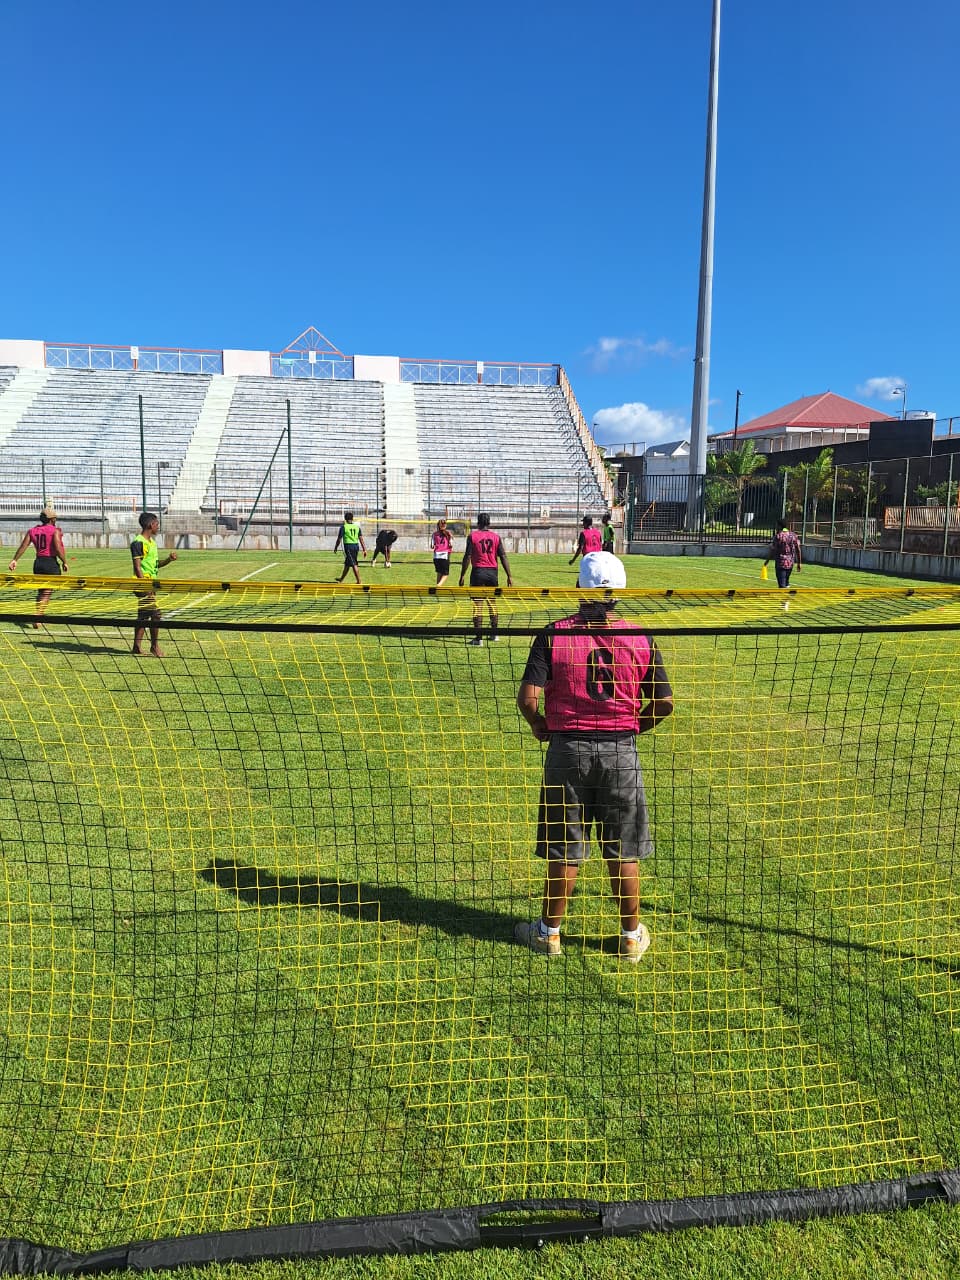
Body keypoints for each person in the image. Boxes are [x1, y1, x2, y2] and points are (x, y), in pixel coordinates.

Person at [514, 551, 673, 962]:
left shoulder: (553, 635)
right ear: (620, 594)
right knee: (624, 849)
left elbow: (528, 699)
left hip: (568, 751)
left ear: (578, 591)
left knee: (564, 848)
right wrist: (634, 725)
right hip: (621, 751)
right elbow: (664, 703)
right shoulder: (641, 636)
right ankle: (631, 937)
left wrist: (539, 724)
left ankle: (548, 934)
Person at [8, 507, 69, 627]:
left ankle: (38, 615)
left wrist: (15, 560)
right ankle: (38, 615)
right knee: (47, 591)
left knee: (41, 590)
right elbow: (58, 548)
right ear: (52, 519)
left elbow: (23, 546)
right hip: (50, 563)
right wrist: (64, 562)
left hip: (38, 563)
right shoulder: (55, 531)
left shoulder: (33, 531)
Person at [458, 512, 513, 645]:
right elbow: (503, 556)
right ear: (489, 523)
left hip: (478, 572)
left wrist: (462, 575)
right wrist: (509, 576)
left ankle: (478, 639)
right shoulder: (496, 537)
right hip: (492, 573)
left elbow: (467, 556)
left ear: (478, 523)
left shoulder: (472, 536)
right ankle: (494, 634)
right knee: (492, 603)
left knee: (478, 605)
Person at [130, 511, 177, 658]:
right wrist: (146, 586)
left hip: (150, 584)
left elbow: (156, 565)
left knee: (143, 615)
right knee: (156, 615)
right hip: (141, 584)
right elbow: (137, 567)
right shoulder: (138, 542)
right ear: (151, 525)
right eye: (157, 524)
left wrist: (168, 560)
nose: (158, 526)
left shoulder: (152, 543)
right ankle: (154, 647)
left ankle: (136, 647)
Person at [764, 523, 802, 589]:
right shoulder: (793, 535)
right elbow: (798, 549)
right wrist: (799, 563)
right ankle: (787, 593)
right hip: (790, 563)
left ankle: (785, 594)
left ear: (779, 526)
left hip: (780, 563)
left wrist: (767, 561)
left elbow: (773, 550)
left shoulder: (778, 536)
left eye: (777, 526)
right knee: (786, 582)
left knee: (782, 585)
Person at [335, 511, 367, 583]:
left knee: (353, 564)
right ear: (352, 519)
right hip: (356, 546)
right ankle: (341, 579)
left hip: (349, 547)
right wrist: (364, 549)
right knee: (347, 564)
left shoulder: (343, 527)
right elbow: (361, 539)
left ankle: (359, 581)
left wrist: (336, 547)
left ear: (345, 519)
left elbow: (339, 539)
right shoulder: (357, 527)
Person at [430, 518, 453, 586]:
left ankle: (437, 589)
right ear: (445, 525)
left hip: (436, 556)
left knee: (439, 573)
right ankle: (438, 585)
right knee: (445, 574)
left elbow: (432, 546)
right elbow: (451, 545)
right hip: (445, 556)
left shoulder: (434, 534)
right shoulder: (449, 534)